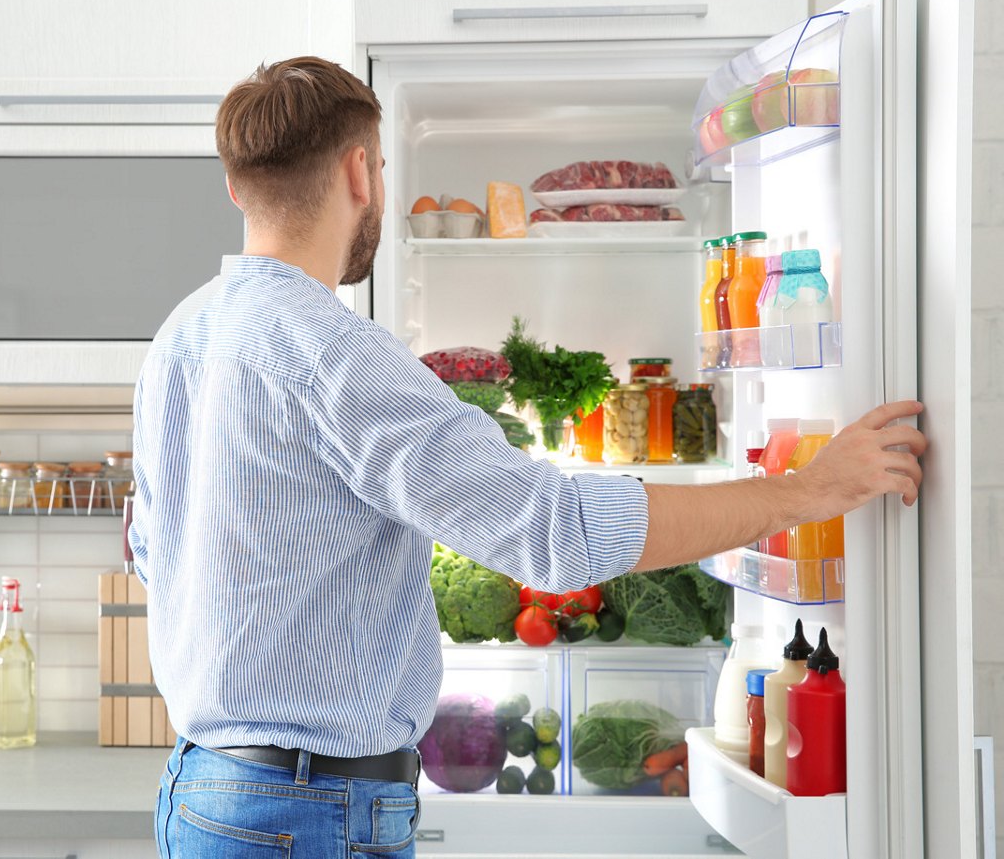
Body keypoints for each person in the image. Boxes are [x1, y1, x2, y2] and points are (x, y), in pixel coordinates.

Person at [129, 56, 926, 858]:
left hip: (201, 794)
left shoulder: (178, 339)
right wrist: (806, 489)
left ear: (237, 188)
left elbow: (150, 549)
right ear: (358, 174)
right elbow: (557, 531)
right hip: (306, 813)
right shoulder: (337, 355)